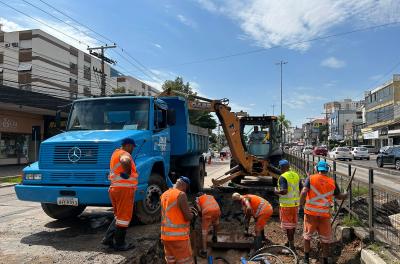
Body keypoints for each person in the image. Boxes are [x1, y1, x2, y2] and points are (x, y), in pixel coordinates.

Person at [300, 161, 348, 264]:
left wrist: (301, 205)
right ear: (327, 170)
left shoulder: (311, 178)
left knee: (307, 236)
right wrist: (346, 194)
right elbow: (339, 196)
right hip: (324, 215)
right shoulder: (332, 182)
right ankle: (325, 260)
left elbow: (304, 192)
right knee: (325, 240)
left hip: (310, 214)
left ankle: (306, 259)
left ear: (317, 169)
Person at [101, 138, 138, 251]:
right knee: (124, 217)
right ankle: (120, 244)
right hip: (124, 190)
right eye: (132, 147)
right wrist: (127, 172)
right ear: (127, 145)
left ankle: (108, 239)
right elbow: (125, 160)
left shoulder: (115, 154)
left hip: (115, 189)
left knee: (119, 216)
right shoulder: (124, 154)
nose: (132, 149)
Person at [161, 176, 198, 264]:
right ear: (185, 185)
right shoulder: (181, 194)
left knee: (171, 261)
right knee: (185, 262)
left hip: (165, 237)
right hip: (179, 238)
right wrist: (193, 214)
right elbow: (187, 217)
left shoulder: (164, 194)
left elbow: (172, 212)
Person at [274, 159, 301, 252]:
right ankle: (290, 242)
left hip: (286, 205)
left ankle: (291, 247)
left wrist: (276, 191)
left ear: (282, 167)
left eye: (280, 167)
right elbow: (301, 188)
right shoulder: (296, 175)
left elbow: (284, 191)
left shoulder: (283, 177)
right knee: (292, 225)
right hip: (295, 204)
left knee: (288, 226)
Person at [195, 192, 221, 258]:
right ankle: (214, 237)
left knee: (204, 231)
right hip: (217, 209)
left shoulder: (198, 199)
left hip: (207, 211)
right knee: (216, 223)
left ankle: (204, 251)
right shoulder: (210, 196)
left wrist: (201, 216)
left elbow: (199, 210)